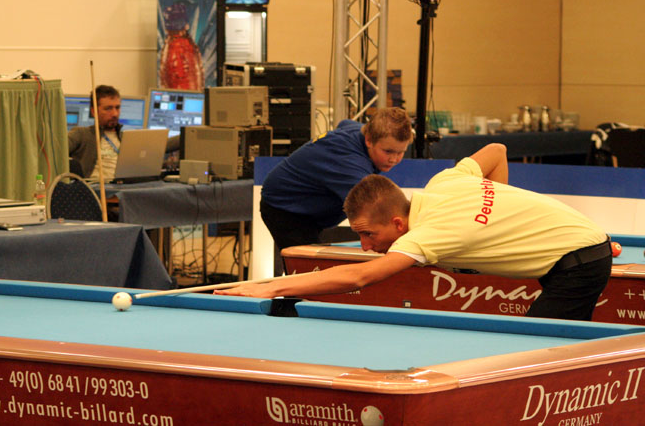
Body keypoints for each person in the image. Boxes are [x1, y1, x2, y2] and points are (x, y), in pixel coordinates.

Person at [220, 143, 612, 321]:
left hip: (579, 262)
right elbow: (496, 150)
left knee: (537, 350)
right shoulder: (444, 182)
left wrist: (271, 287)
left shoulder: (428, 233)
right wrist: (495, 217)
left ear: (397, 223)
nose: (365, 246)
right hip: (581, 243)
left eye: (368, 235)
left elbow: (359, 277)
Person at [260, 107, 413, 273]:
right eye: (388, 151)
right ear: (369, 140)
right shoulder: (350, 165)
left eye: (401, 152)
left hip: (306, 208)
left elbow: (344, 123)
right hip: (284, 208)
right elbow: (379, 209)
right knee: (308, 273)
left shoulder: (359, 131)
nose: (394, 159)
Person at [68, 85, 123, 179]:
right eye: (108, 108)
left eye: (117, 108)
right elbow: (55, 152)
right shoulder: (82, 134)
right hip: (96, 185)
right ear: (94, 111)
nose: (115, 114)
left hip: (124, 185)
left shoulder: (125, 138)